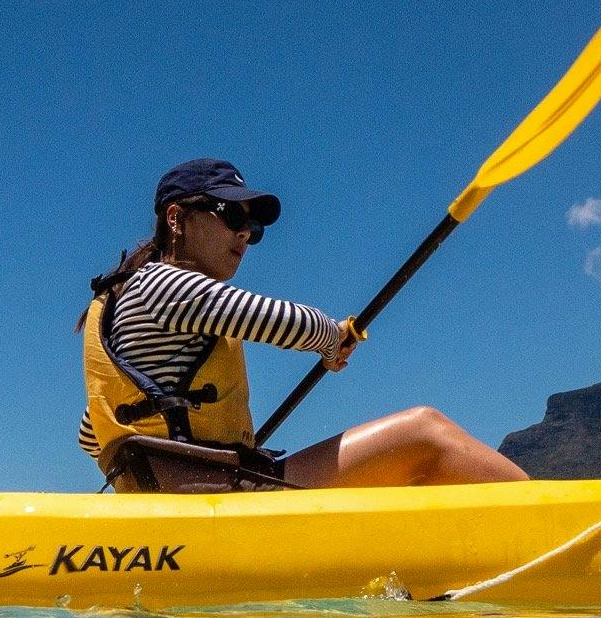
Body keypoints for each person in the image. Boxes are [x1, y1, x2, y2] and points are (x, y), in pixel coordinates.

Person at [78, 158, 527, 490]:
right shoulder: (166, 283)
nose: (244, 235)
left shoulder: (125, 299)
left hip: (179, 493)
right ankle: (550, 517)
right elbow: (287, 322)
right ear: (177, 218)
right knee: (424, 433)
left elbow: (91, 432)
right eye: (232, 216)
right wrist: (332, 339)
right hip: (209, 498)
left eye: (253, 229)